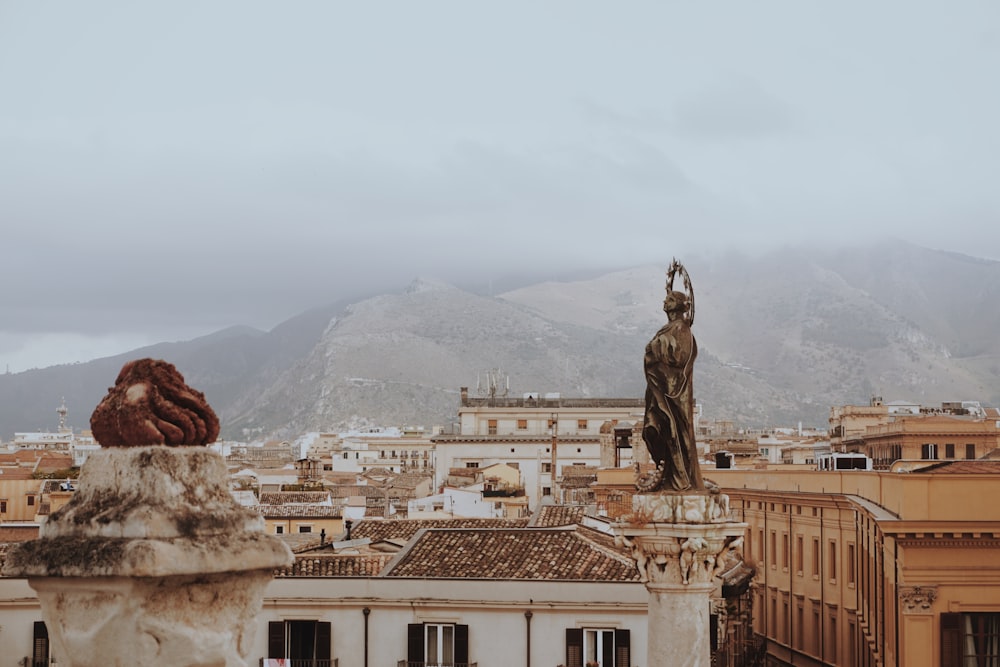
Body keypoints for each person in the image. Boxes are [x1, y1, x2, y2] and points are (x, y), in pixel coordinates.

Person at [642, 289, 704, 492]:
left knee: (674, 431)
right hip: (660, 389)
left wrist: (656, 346)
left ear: (677, 305)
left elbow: (679, 358)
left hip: (674, 392)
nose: (664, 302)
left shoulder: (681, 329)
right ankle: (668, 473)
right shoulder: (668, 329)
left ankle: (680, 477)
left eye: (669, 299)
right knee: (653, 431)